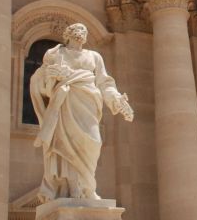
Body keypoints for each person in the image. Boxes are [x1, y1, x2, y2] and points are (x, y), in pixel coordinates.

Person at [30, 23, 133, 202]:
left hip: (89, 104)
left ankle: (87, 184)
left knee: (93, 142)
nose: (81, 33)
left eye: (84, 31)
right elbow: (43, 85)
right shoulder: (56, 54)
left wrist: (116, 99)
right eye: (77, 30)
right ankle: (78, 188)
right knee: (65, 145)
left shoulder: (94, 56)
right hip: (65, 102)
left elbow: (104, 82)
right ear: (68, 34)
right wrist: (53, 78)